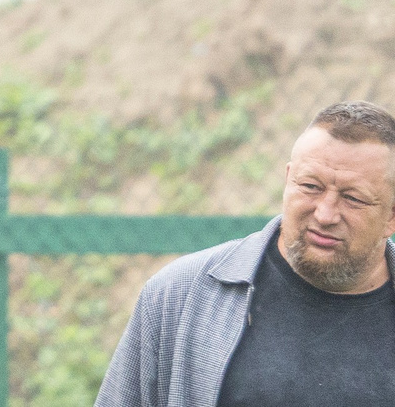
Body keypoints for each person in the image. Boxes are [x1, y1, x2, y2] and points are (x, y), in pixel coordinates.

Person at [95, 100, 395, 406]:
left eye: (353, 198)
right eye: (310, 186)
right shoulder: (178, 297)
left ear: (391, 216)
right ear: (288, 180)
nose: (325, 214)